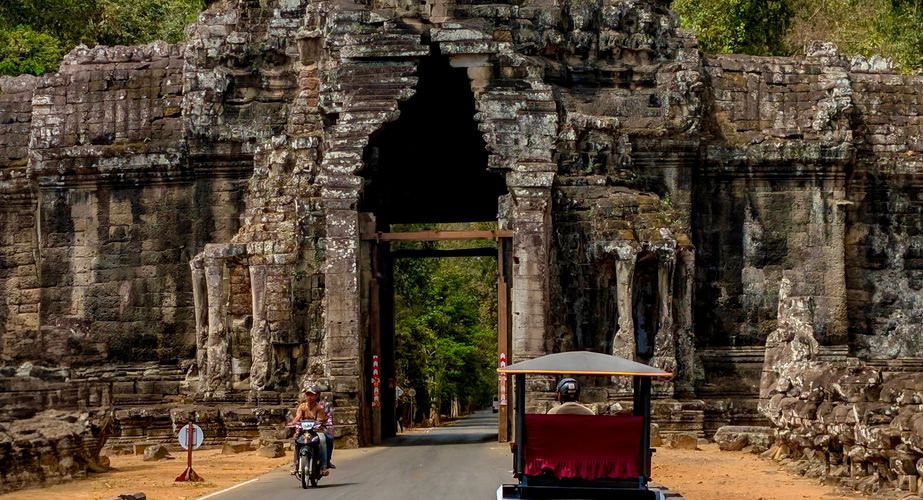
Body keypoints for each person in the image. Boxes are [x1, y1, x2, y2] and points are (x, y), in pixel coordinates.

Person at [288, 386, 335, 475]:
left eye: (312, 395)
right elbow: (297, 417)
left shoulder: (319, 408)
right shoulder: (302, 406)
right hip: (304, 430)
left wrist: (318, 424)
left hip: (317, 430)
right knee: (297, 441)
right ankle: (295, 464)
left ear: (317, 396)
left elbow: (320, 420)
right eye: (307, 394)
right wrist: (293, 423)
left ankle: (324, 465)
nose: (309, 397)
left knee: (323, 440)